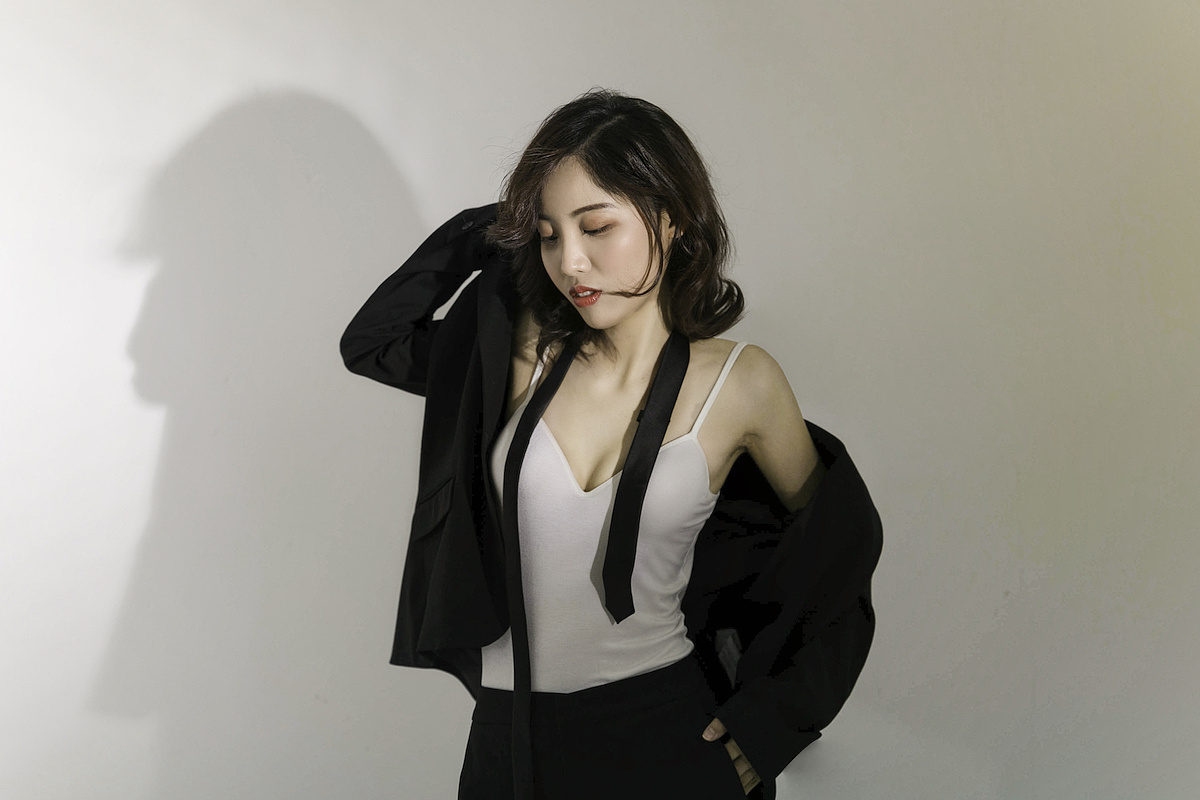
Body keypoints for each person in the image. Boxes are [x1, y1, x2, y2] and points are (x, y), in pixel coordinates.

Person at [340, 90, 883, 800]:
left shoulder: (742, 383)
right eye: (548, 235)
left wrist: (774, 723)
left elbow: (839, 555)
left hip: (669, 735)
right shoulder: (520, 354)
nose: (572, 262)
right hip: (508, 741)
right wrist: (493, 228)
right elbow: (373, 342)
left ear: (671, 218)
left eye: (596, 227)